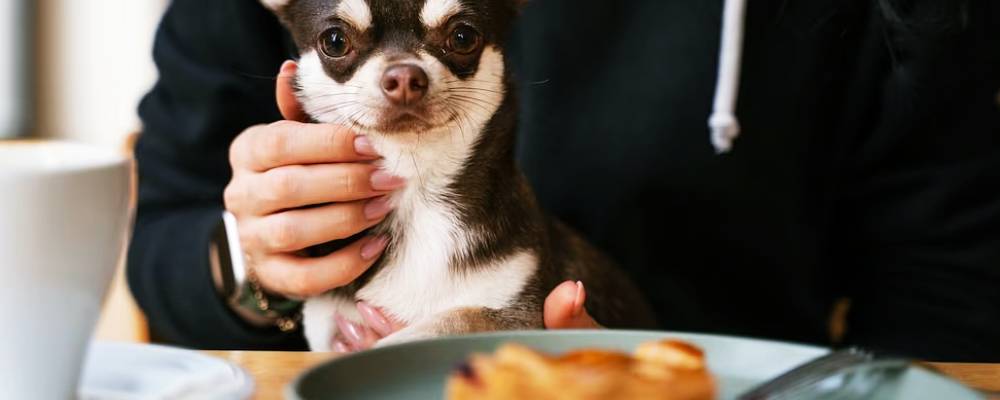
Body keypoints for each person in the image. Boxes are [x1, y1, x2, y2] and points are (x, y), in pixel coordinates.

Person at [127, 0, 1000, 361]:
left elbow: (950, 290)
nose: (401, 76)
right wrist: (255, 261)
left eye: (457, 38)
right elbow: (163, 239)